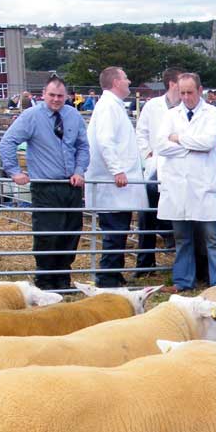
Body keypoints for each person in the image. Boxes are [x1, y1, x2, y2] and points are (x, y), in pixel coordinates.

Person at [0, 76, 89, 290]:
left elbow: (83, 146)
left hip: (71, 185)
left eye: (60, 96)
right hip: (46, 185)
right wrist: (13, 171)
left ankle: (63, 277)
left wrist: (79, 170)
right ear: (43, 94)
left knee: (71, 232)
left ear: (67, 96)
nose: (56, 100)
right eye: (52, 95)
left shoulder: (73, 115)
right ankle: (45, 279)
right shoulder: (31, 116)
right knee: (48, 234)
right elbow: (8, 142)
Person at [155, 72, 216, 292]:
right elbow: (160, 145)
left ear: (200, 90)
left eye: (190, 92)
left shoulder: (212, 113)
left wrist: (178, 139)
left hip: (204, 186)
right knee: (182, 238)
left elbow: (207, 142)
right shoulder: (170, 115)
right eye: (182, 92)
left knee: (213, 238)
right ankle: (183, 282)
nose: (186, 97)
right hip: (178, 187)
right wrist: (190, 147)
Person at [85, 66, 149, 288]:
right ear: (115, 82)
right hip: (113, 184)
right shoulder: (108, 107)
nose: (129, 81)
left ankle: (114, 273)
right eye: (125, 78)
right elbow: (105, 141)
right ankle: (107, 277)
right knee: (114, 232)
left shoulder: (112, 106)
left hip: (118, 185)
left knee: (119, 231)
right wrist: (117, 170)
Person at [135, 67, 182, 271]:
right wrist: (148, 154)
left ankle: (179, 262)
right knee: (147, 214)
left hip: (179, 167)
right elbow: (141, 132)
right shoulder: (153, 106)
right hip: (155, 166)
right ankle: (145, 264)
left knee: (179, 214)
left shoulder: (189, 107)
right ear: (172, 83)